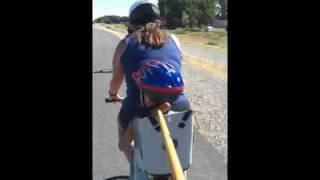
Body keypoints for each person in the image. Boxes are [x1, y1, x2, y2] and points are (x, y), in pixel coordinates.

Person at [105, 0, 190, 161]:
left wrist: (113, 94)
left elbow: (116, 80)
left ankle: (137, 166)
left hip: (138, 109)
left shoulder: (125, 44)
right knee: (181, 143)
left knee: (123, 127)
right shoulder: (174, 40)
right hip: (179, 105)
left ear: (133, 21)